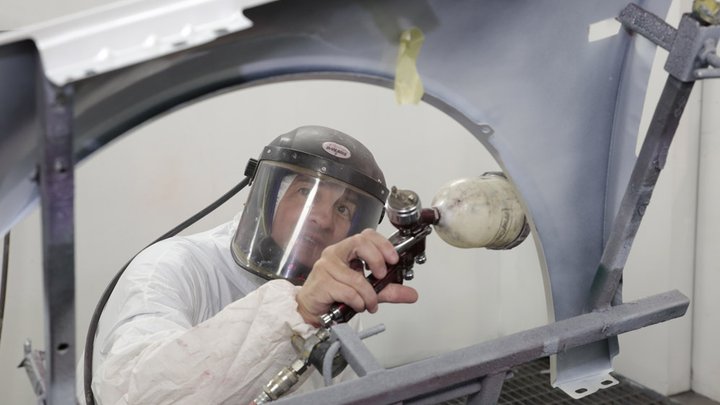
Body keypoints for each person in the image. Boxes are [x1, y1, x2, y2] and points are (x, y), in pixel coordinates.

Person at [78, 125, 419, 404]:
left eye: (343, 209)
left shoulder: (338, 304)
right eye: (306, 193)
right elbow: (129, 395)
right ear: (267, 197)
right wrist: (296, 312)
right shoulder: (171, 267)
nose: (322, 218)